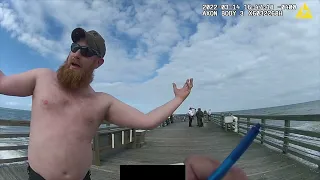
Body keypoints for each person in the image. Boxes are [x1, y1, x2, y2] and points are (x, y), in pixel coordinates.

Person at [0, 27, 194, 180]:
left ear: (98, 63)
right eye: (74, 48)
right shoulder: (41, 78)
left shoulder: (102, 102)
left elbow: (147, 120)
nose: (76, 54)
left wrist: (178, 99)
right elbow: (2, 83)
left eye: (85, 51)